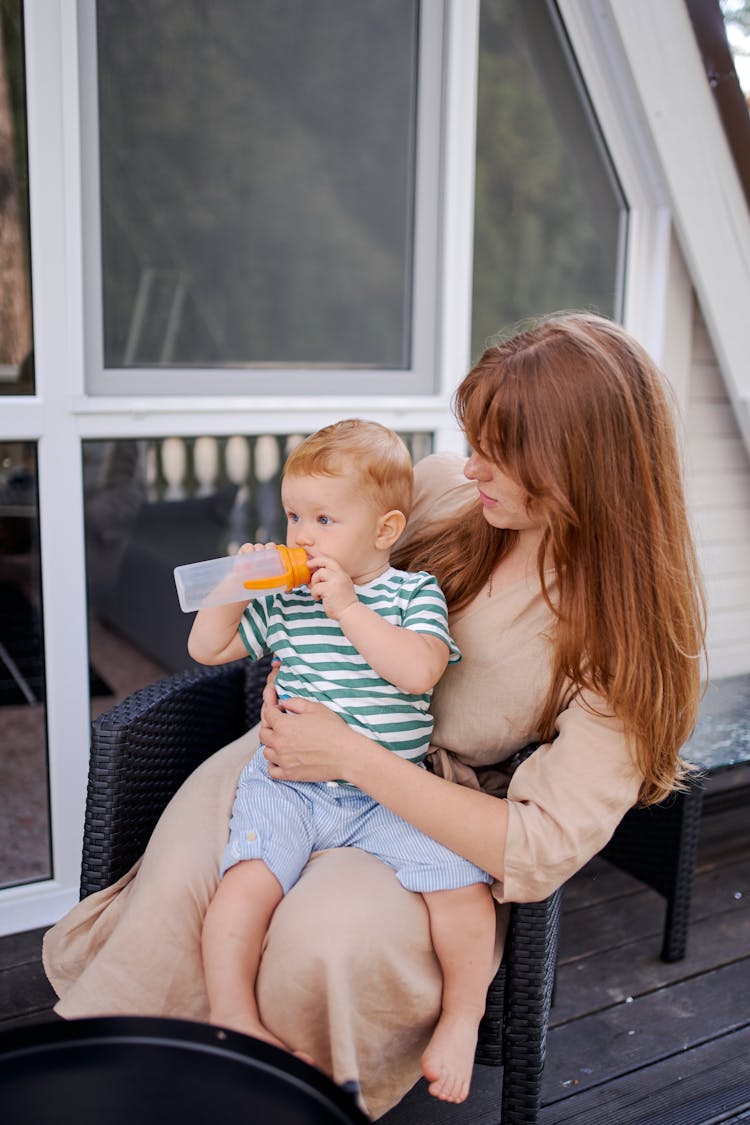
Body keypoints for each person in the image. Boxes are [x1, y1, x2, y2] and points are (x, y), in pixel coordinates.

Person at [43, 312, 706, 1121]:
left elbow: (537, 846)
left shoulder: (623, 640)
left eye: (499, 453)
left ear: (580, 469)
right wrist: (272, 583)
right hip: (293, 750)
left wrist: (355, 757)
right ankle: (136, 1081)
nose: (471, 465)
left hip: (427, 805)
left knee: (315, 945)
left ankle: (280, 1099)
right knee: (188, 889)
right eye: (475, 439)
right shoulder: (441, 490)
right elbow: (338, 527)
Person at [188, 419, 496, 1104]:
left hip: (390, 794)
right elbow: (208, 649)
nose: (302, 535)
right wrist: (232, 587)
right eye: (296, 514)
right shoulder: (289, 601)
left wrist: (349, 607)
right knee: (242, 885)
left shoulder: (413, 595)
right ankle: (231, 1015)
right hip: (291, 787)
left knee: (466, 894)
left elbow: (419, 671)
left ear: (385, 530)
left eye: (324, 518)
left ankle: (462, 1018)